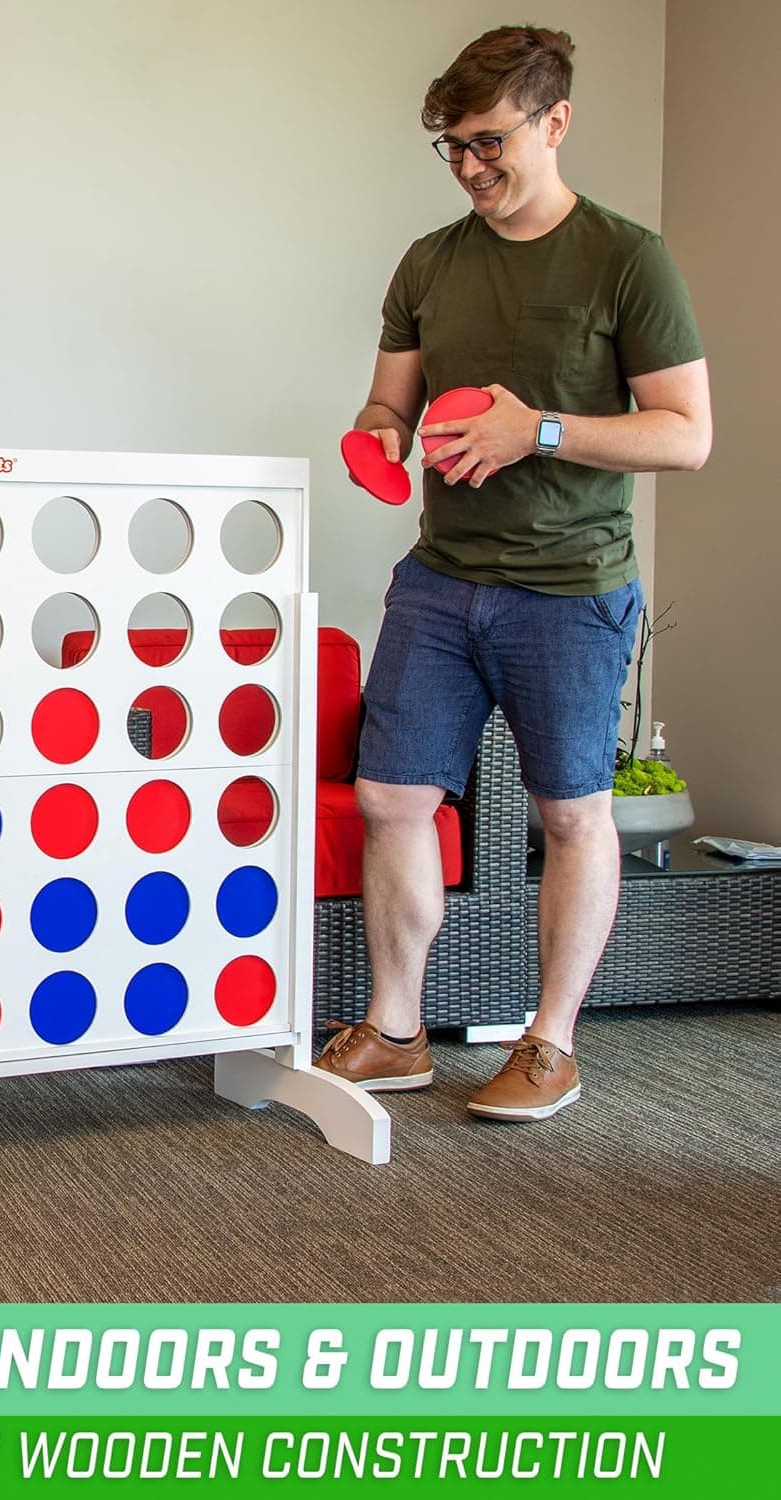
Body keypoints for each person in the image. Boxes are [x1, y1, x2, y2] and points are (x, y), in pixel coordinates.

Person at [316, 27, 710, 1119]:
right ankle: (398, 1031)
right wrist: (379, 435)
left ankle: (549, 1045)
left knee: (572, 812)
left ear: (555, 121)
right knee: (391, 795)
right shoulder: (430, 262)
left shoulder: (629, 259)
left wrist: (535, 429)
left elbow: (686, 434)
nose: (470, 166)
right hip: (441, 579)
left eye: (489, 141)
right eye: (452, 146)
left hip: (572, 587)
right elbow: (390, 399)